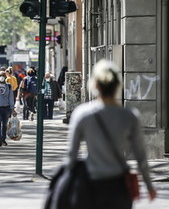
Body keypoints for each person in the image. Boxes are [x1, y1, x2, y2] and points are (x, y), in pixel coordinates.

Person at [66, 59, 156, 208]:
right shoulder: (129, 116)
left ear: (94, 85)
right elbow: (141, 156)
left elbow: (71, 155)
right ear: (118, 86)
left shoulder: (82, 114)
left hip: (91, 185)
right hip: (119, 186)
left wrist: (68, 185)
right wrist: (149, 186)